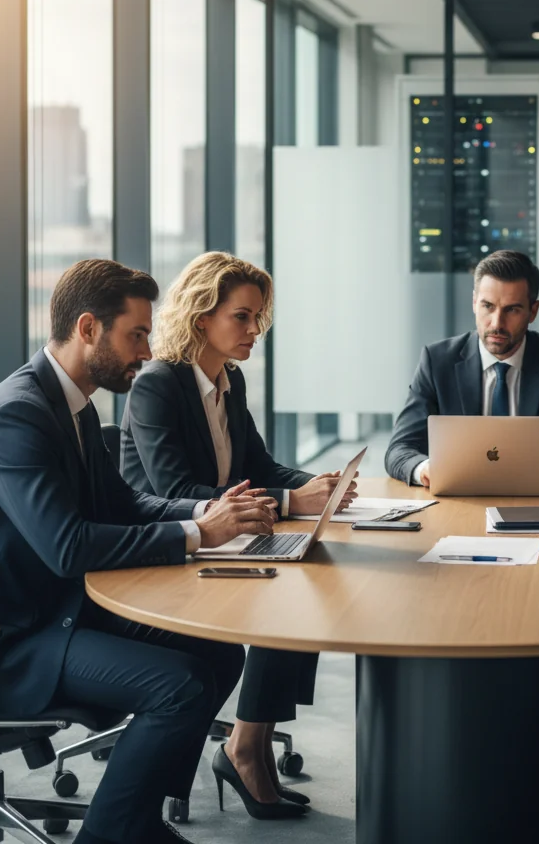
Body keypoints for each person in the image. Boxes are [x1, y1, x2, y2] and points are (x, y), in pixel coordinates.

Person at [0, 259, 280, 844]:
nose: (148, 351)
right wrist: (198, 535)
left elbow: (123, 502)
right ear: (88, 328)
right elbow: (68, 547)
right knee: (179, 685)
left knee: (220, 651)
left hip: (54, 612)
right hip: (1, 640)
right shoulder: (16, 415)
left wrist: (207, 513)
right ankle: (111, 834)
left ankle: (137, 819)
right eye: (137, 334)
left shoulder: (71, 405)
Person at [121, 251, 355, 820]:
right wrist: (290, 502)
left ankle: (251, 743)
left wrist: (320, 486)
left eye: (258, 318)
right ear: (203, 317)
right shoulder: (158, 385)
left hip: (221, 539)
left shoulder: (230, 380)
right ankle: (245, 750)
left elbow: (261, 467)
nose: (255, 330)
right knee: (289, 593)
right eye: (242, 317)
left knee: (308, 580)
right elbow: (177, 490)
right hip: (165, 547)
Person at [384, 249, 539, 487]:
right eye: (488, 306)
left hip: (536, 499)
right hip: (457, 499)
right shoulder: (437, 361)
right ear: (474, 303)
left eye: (512, 309)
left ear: (533, 311)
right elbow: (400, 449)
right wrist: (426, 469)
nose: (496, 323)